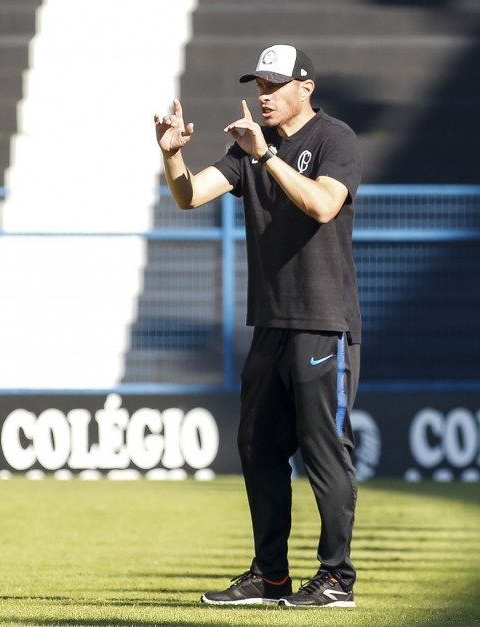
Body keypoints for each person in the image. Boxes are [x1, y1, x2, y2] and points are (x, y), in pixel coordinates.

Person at [155, 44, 362, 608]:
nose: (263, 95)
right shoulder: (246, 148)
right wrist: (173, 155)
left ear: (306, 88)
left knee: (324, 451)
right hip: (271, 323)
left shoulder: (332, 139)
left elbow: (322, 206)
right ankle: (270, 577)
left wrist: (266, 155)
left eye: (274, 85)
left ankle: (336, 579)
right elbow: (189, 196)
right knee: (257, 447)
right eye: (258, 86)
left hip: (323, 322)